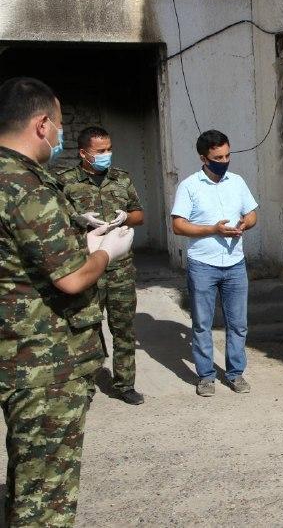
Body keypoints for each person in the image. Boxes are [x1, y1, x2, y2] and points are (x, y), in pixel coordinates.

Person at [0, 77, 133, 526]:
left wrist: (80, 236)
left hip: (14, 353)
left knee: (26, 475)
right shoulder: (26, 185)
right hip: (45, 363)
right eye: (57, 125)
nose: (59, 134)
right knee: (46, 496)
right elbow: (73, 279)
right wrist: (103, 252)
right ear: (41, 124)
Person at [57, 126, 145, 405]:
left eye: (109, 149)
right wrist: (78, 220)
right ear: (84, 153)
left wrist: (125, 218)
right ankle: (87, 385)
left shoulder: (121, 179)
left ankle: (125, 384)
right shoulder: (65, 182)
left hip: (120, 269)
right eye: (101, 151)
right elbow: (54, 224)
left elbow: (139, 215)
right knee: (87, 330)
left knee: (123, 328)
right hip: (87, 267)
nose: (107, 155)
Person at [171, 130, 258, 397]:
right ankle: (206, 376)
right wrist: (213, 230)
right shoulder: (189, 186)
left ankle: (235, 373)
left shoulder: (237, 182)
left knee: (238, 323)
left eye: (227, 155)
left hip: (234, 263)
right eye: (218, 157)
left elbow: (252, 213)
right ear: (203, 158)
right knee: (202, 324)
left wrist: (245, 223)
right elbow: (178, 226)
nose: (224, 160)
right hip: (203, 265)